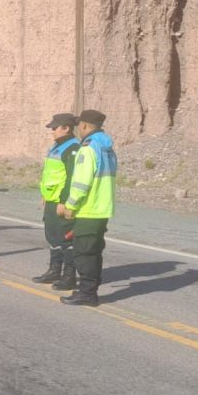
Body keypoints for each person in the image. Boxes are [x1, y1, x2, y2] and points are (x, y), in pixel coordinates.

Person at [61, 109, 117, 306]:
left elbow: (81, 183)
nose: (78, 130)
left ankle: (87, 293)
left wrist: (70, 205)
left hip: (89, 209)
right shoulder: (106, 147)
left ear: (84, 126)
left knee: (84, 253)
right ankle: (89, 290)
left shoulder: (88, 149)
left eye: (79, 126)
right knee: (93, 252)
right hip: (102, 209)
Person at [32, 113, 81, 288]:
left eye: (55, 128)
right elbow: (51, 175)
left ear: (66, 128)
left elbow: (71, 178)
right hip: (51, 200)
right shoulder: (57, 146)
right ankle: (54, 271)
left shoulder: (73, 148)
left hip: (62, 202)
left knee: (66, 239)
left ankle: (69, 276)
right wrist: (45, 196)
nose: (52, 131)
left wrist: (64, 201)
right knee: (52, 237)